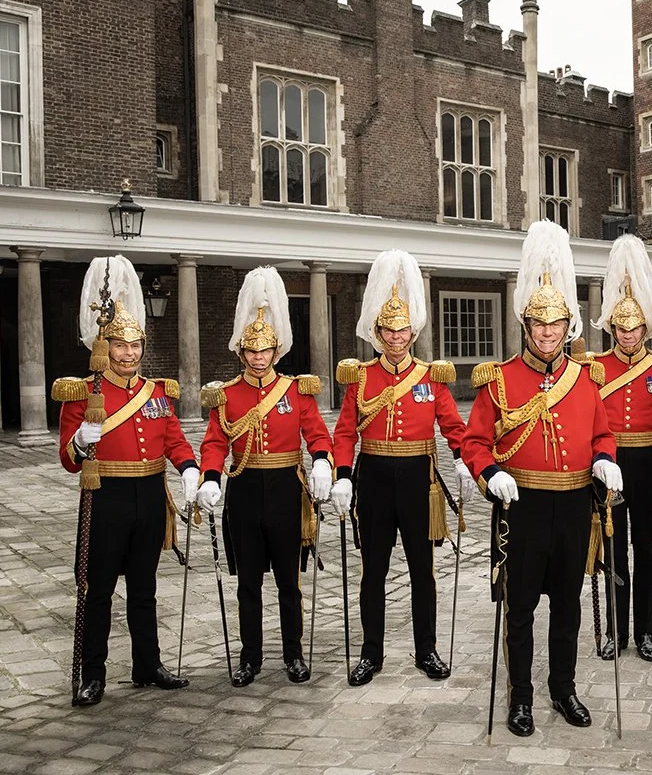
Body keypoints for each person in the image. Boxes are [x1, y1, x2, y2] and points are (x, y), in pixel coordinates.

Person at [461, 220, 622, 738]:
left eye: (556, 327)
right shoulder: (500, 378)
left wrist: (604, 460)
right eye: (539, 326)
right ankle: (522, 697)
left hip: (574, 506)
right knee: (522, 608)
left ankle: (564, 688)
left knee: (568, 607)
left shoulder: (586, 378)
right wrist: (489, 474)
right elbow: (474, 442)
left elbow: (603, 433)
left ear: (569, 327)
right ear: (526, 326)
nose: (548, 334)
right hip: (522, 507)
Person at [54, 255, 199, 706]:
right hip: (106, 495)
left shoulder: (157, 392)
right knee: (97, 589)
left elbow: (173, 439)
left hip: (150, 496)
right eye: (120, 346)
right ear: (105, 346)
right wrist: (80, 440)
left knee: (144, 586)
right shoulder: (84, 392)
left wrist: (191, 468)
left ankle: (147, 664)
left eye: (135, 346)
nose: (129, 354)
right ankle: (92, 675)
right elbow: (68, 460)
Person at [330, 250, 476, 686]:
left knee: (422, 572)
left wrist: (466, 464)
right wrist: (340, 472)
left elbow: (453, 427)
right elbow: (344, 432)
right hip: (372, 477)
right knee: (373, 571)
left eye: (403, 330)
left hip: (418, 480)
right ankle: (370, 653)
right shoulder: (361, 378)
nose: (396, 337)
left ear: (414, 331)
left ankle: (426, 649)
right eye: (389, 331)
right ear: (376, 332)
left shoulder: (431, 378)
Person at [196, 267, 333, 687]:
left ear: (276, 351)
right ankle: (250, 656)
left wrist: (325, 462)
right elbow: (215, 442)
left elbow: (317, 433)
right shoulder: (228, 394)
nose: (258, 358)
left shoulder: (296, 391)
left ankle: (293, 653)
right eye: (251, 352)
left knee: (290, 584)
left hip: (286, 492)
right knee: (249, 584)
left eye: (265, 351)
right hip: (245, 490)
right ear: (242, 353)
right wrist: (209, 477)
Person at [588, 234, 652, 662]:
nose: (628, 336)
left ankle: (646, 629)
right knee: (613, 550)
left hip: (648, 463)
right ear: (612, 327)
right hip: (610, 464)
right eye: (621, 329)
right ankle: (616, 630)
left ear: (646, 329)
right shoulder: (595, 369)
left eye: (635, 329)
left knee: (646, 550)